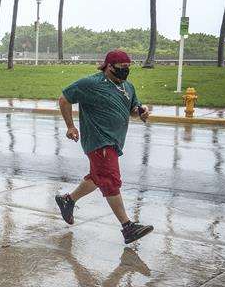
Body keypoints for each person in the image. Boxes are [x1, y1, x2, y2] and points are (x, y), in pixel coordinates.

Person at [55, 49, 154, 244]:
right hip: (98, 141)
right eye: (121, 67)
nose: (125, 70)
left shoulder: (128, 87)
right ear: (109, 66)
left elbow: (133, 110)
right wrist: (70, 126)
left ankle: (68, 200)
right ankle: (128, 227)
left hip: (114, 141)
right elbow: (64, 99)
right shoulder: (91, 84)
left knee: (97, 177)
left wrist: (141, 112)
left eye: (128, 67)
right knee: (110, 179)